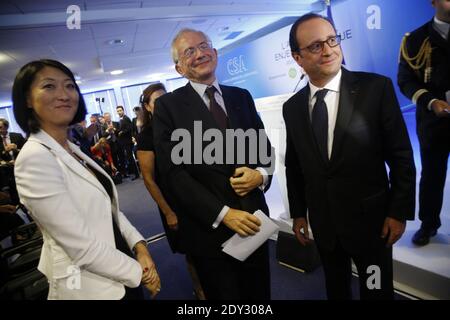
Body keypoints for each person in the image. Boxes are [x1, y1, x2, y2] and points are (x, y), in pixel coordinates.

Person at [283, 14, 416, 299]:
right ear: (298, 58)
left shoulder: (375, 89)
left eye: (332, 40)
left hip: (372, 225)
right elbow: (294, 165)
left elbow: (401, 156)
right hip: (325, 225)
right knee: (336, 290)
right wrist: (297, 213)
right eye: (316, 46)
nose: (329, 50)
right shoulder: (292, 108)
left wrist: (398, 211)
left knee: (375, 290)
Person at [12, 59, 160, 300]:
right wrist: (141, 272)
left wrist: (139, 246)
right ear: (27, 99)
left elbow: (109, 208)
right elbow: (81, 248)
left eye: (70, 86)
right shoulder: (34, 158)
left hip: (120, 266)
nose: (64, 94)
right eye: (49, 86)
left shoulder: (72, 147)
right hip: (90, 286)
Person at [152, 28, 274, 300]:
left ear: (215, 52)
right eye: (189, 52)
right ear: (179, 67)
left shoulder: (241, 96)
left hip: (254, 223)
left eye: (204, 46)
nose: (200, 54)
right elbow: (173, 174)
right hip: (209, 232)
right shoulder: (168, 107)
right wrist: (223, 213)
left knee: (260, 296)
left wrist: (261, 176)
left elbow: (264, 151)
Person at [136, 82, 205, 299]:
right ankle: (201, 292)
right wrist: (168, 212)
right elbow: (148, 179)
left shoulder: (180, 125)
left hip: (198, 196)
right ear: (147, 107)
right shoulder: (146, 136)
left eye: (166, 98)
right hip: (173, 203)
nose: (164, 103)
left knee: (208, 247)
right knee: (192, 251)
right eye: (157, 101)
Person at [398, 0, 450, 246]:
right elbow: (405, 80)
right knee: (432, 175)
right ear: (433, 1)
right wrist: (431, 102)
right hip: (433, 121)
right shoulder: (415, 39)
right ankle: (429, 224)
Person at [116, 106, 139, 180]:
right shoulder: (121, 119)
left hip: (128, 141)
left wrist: (122, 132)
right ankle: (135, 173)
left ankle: (136, 174)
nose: (119, 112)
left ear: (123, 110)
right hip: (124, 142)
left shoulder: (126, 118)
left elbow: (129, 129)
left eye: (120, 110)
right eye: (118, 111)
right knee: (129, 158)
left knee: (130, 158)